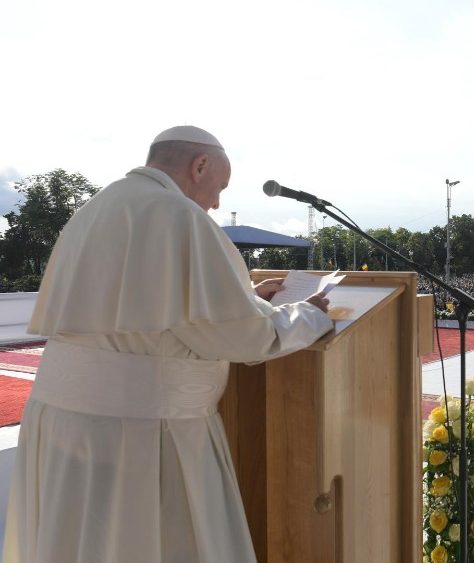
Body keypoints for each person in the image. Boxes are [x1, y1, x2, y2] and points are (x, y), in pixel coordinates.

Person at [3, 126, 334, 562]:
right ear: (200, 166)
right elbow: (246, 338)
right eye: (220, 187)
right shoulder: (179, 215)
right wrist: (309, 314)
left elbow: (150, 316)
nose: (217, 202)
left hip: (64, 422)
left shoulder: (95, 208)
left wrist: (250, 299)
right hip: (142, 431)